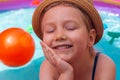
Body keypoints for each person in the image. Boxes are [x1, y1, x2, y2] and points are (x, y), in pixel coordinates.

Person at [32, 0, 116, 80]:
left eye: (70, 28)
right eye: (50, 30)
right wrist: (66, 73)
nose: (59, 36)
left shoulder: (103, 66)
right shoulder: (48, 68)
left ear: (90, 38)